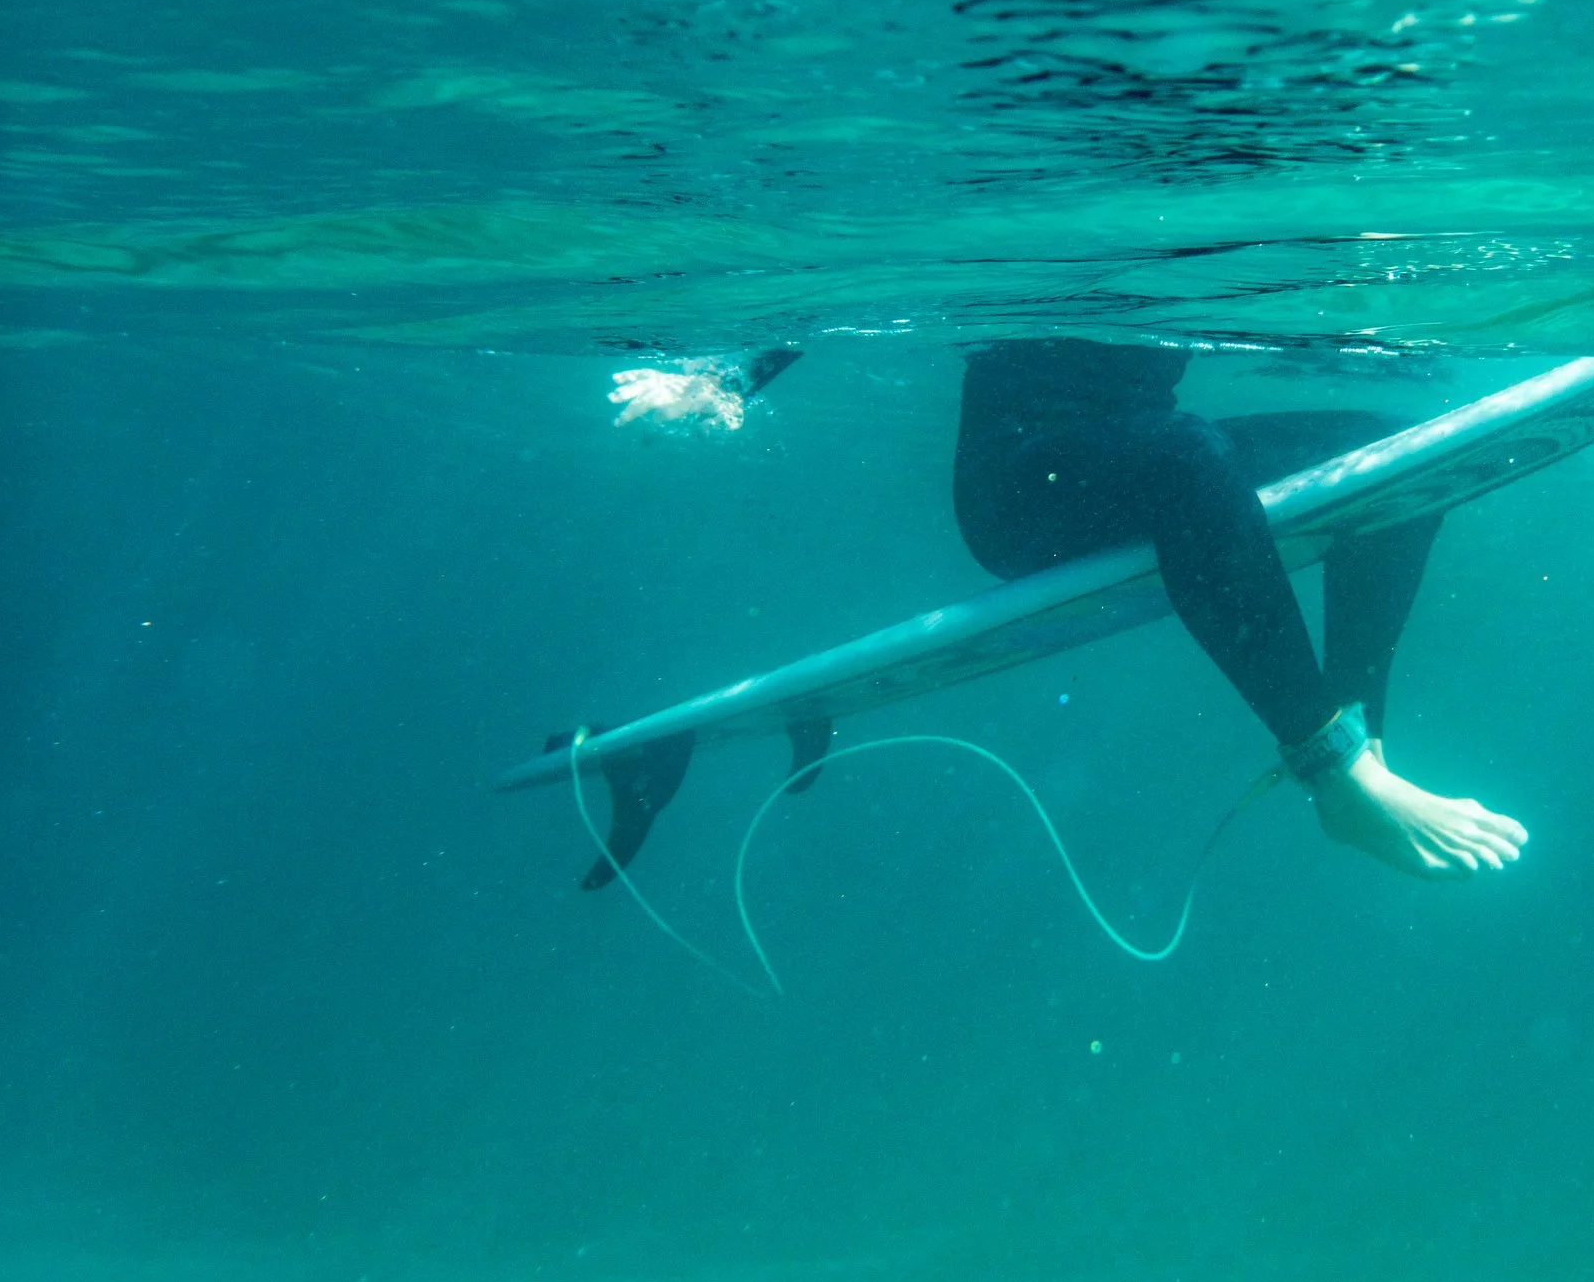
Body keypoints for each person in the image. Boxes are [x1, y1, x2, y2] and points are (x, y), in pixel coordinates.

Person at [598, 339, 1526, 882]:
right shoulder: (1058, 155)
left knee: (1397, 458)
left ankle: (1360, 731)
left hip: (1154, 463)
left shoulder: (1212, 169)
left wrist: (1368, 341)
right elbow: (877, 247)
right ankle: (1334, 768)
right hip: (1020, 495)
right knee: (1187, 453)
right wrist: (721, 377)